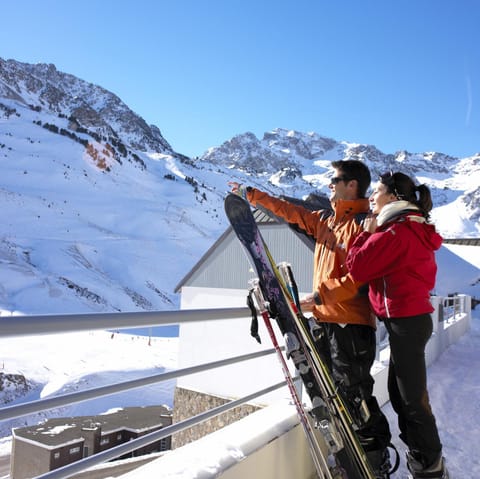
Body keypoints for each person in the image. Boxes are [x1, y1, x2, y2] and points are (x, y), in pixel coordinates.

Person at [229, 160, 393, 478]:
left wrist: (318, 299)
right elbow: (290, 211)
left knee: (355, 395)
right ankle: (350, 455)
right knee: (331, 394)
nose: (330, 184)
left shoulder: (365, 225)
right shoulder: (325, 222)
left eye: (336, 180)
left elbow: (361, 276)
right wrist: (253, 196)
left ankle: (375, 457)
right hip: (324, 321)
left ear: (352, 185)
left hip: (353, 325)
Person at [346, 171, 449, 479]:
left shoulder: (395, 233)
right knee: (404, 394)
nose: (372, 198)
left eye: (377, 192)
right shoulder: (411, 227)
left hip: (406, 323)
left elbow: (357, 267)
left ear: (392, 197)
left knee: (411, 401)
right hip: (410, 322)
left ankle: (431, 467)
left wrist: (366, 233)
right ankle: (425, 461)